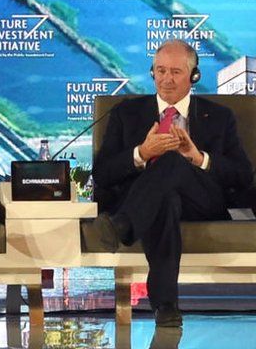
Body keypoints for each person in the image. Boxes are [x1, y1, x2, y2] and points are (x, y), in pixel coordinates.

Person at [92, 39, 253, 327]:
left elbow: (242, 176)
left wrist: (197, 156)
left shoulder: (219, 116)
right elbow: (103, 173)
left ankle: (123, 225)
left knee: (173, 161)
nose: (166, 79)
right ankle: (165, 306)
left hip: (203, 200)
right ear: (152, 72)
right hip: (152, 205)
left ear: (194, 76)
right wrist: (142, 153)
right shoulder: (125, 114)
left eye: (175, 72)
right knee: (165, 199)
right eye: (160, 70)